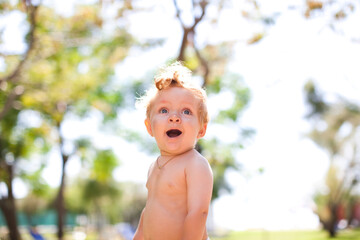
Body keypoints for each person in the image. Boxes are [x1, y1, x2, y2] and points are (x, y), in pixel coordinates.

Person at [133, 62, 213, 240]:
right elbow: (149, 212)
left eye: (186, 111)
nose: (174, 117)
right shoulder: (154, 166)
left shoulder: (195, 164)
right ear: (149, 127)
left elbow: (198, 212)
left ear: (201, 129)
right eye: (164, 110)